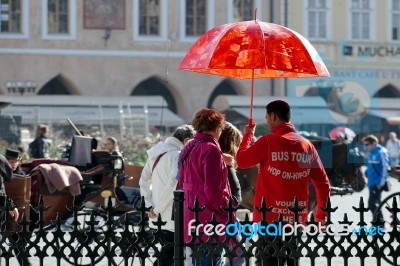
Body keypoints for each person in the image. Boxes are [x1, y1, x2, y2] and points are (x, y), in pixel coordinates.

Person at [236, 100, 331, 266]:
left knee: (267, 260)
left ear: (273, 116)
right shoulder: (306, 145)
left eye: (267, 118)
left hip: (269, 216)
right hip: (295, 216)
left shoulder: (267, 141)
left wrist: (248, 135)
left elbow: (241, 161)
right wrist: (321, 214)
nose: (267, 121)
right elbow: (323, 182)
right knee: (291, 259)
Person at [178, 108, 234, 266]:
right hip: (210, 218)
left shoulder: (190, 146)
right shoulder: (211, 149)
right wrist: (228, 208)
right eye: (221, 128)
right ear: (216, 128)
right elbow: (214, 190)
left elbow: (182, 181)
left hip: (192, 214)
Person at [139, 124, 195, 266]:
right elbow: (172, 186)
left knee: (167, 255)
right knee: (171, 256)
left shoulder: (155, 153)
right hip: (170, 215)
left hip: (155, 216)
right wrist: (156, 209)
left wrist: (149, 205)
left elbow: (143, 181)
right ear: (187, 139)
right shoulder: (177, 155)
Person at [363, 134, 390, 221]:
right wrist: (365, 173)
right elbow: (370, 166)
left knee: (372, 203)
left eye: (367, 144)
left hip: (377, 183)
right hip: (371, 182)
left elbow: (385, 169)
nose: (366, 147)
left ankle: (379, 222)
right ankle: (379, 222)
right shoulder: (371, 153)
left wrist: (380, 183)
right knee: (377, 203)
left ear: (373, 143)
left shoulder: (381, 152)